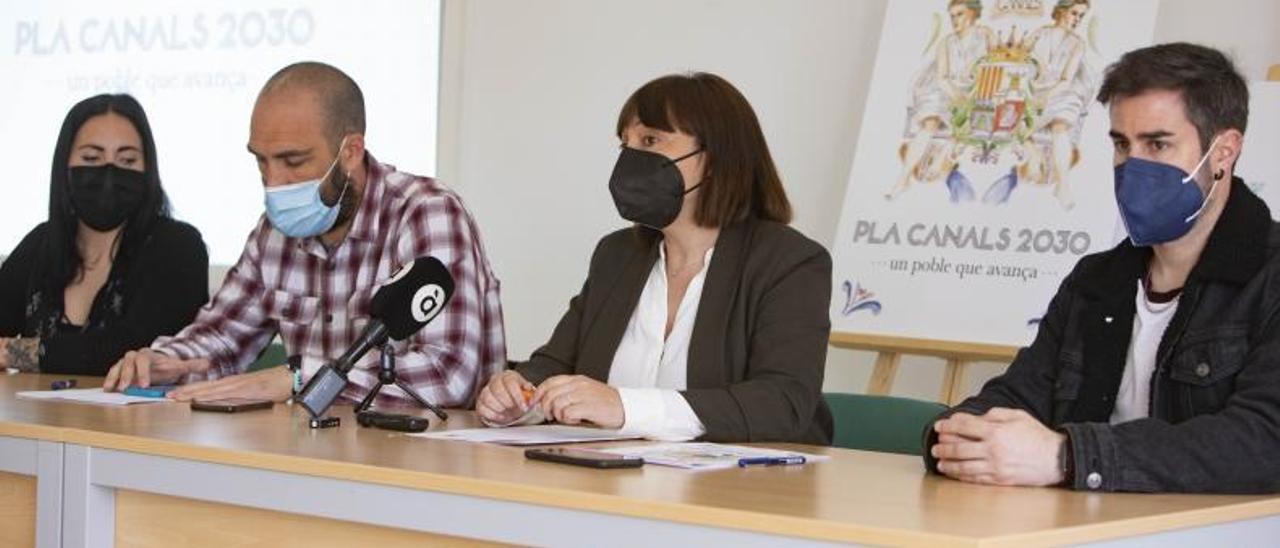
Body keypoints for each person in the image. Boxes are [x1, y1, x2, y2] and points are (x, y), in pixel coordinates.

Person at [925, 43, 1280, 493]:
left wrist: (1067, 458)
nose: (1134, 166)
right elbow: (1017, 396)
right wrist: (958, 440)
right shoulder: (1096, 280)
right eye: (1121, 144)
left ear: (1224, 151)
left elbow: (1263, 441)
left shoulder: (1269, 276)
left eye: (1157, 144)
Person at [102, 62, 506, 409]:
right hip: (312, 456)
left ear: (350, 152)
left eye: (292, 161)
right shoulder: (275, 231)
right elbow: (222, 339)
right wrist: (164, 363)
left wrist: (301, 378)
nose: (274, 182)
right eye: (261, 161)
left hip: (423, 466)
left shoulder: (426, 212)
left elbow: (451, 374)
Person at [476, 72, 833, 444]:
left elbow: (783, 402)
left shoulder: (790, 262)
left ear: (715, 158)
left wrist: (623, 407)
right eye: (624, 143)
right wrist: (518, 396)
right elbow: (554, 365)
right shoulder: (617, 255)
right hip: (612, 483)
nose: (631, 157)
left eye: (650, 140)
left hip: (747, 491)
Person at [0, 94, 207, 376]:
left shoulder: (178, 246)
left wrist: (13, 352)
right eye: (91, 158)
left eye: (127, 160)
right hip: (34, 420)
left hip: (141, 420)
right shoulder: (42, 242)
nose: (109, 172)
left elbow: (133, 348)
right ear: (65, 167)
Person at [886, 0, 995, 200]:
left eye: (960, 14)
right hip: (942, 88)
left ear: (972, 13)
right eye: (952, 15)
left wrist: (972, 96)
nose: (955, 20)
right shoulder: (946, 42)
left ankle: (942, 159)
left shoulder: (985, 35)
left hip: (975, 90)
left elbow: (994, 65)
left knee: (969, 119)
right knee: (931, 122)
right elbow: (942, 78)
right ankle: (903, 178)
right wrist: (956, 97)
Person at [1026, 0, 1093, 209]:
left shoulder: (1077, 44)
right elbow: (1022, 62)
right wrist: (1033, 92)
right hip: (1032, 91)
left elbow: (1066, 79)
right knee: (1015, 121)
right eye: (1074, 13)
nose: (1077, 20)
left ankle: (1063, 184)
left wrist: (1046, 96)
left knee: (1060, 124)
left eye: (1081, 16)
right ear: (1062, 11)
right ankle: (1034, 154)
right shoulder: (1039, 34)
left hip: (1061, 94)